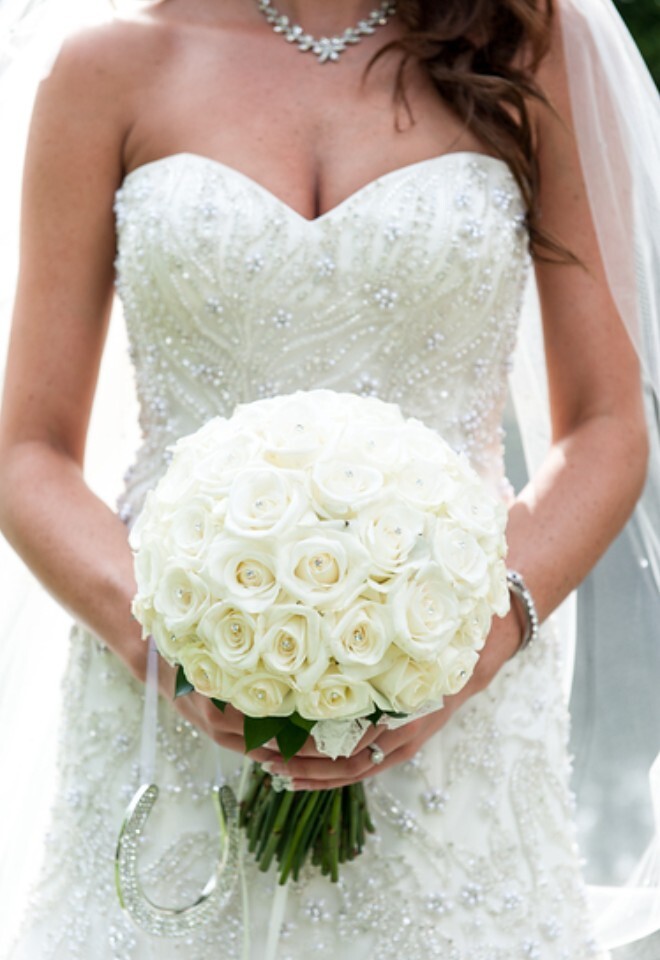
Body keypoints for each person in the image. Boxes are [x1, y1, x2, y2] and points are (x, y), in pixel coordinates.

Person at [0, 0, 658, 957]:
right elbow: (28, 452)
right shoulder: (109, 67)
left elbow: (605, 425)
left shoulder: (525, 44)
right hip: (167, 699)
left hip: (454, 700)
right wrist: (174, 650)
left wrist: (476, 638)